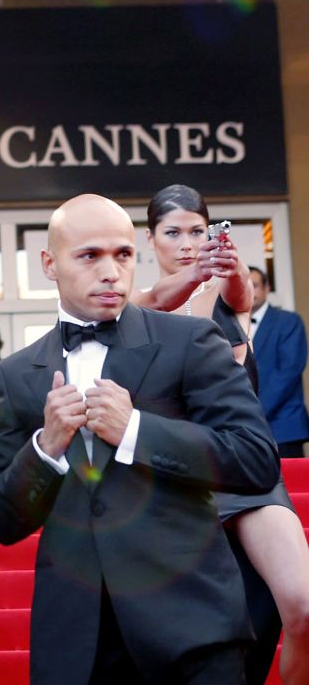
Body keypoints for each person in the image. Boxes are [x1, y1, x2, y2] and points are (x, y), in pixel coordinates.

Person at [0, 194, 280, 685]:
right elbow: (0, 518)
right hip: (78, 643)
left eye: (122, 254)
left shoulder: (189, 342)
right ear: (49, 265)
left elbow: (254, 460)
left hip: (192, 630)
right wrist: (45, 448)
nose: (111, 272)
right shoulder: (16, 375)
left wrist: (135, 430)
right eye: (89, 256)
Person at [136, 184, 309, 685]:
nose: (187, 243)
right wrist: (197, 271)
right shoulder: (135, 304)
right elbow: (152, 301)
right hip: (176, 477)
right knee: (202, 643)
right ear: (150, 240)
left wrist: (227, 265)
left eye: (197, 231)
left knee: (301, 604)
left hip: (246, 470)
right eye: (173, 233)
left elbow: (239, 294)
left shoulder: (231, 293)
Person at [250, 265, 309, 459]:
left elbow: (288, 372)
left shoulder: (288, 322)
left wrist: (252, 415)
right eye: (244, 286)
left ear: (267, 289)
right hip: (244, 434)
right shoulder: (229, 325)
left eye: (255, 285)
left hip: (282, 427)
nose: (249, 291)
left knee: (291, 488)